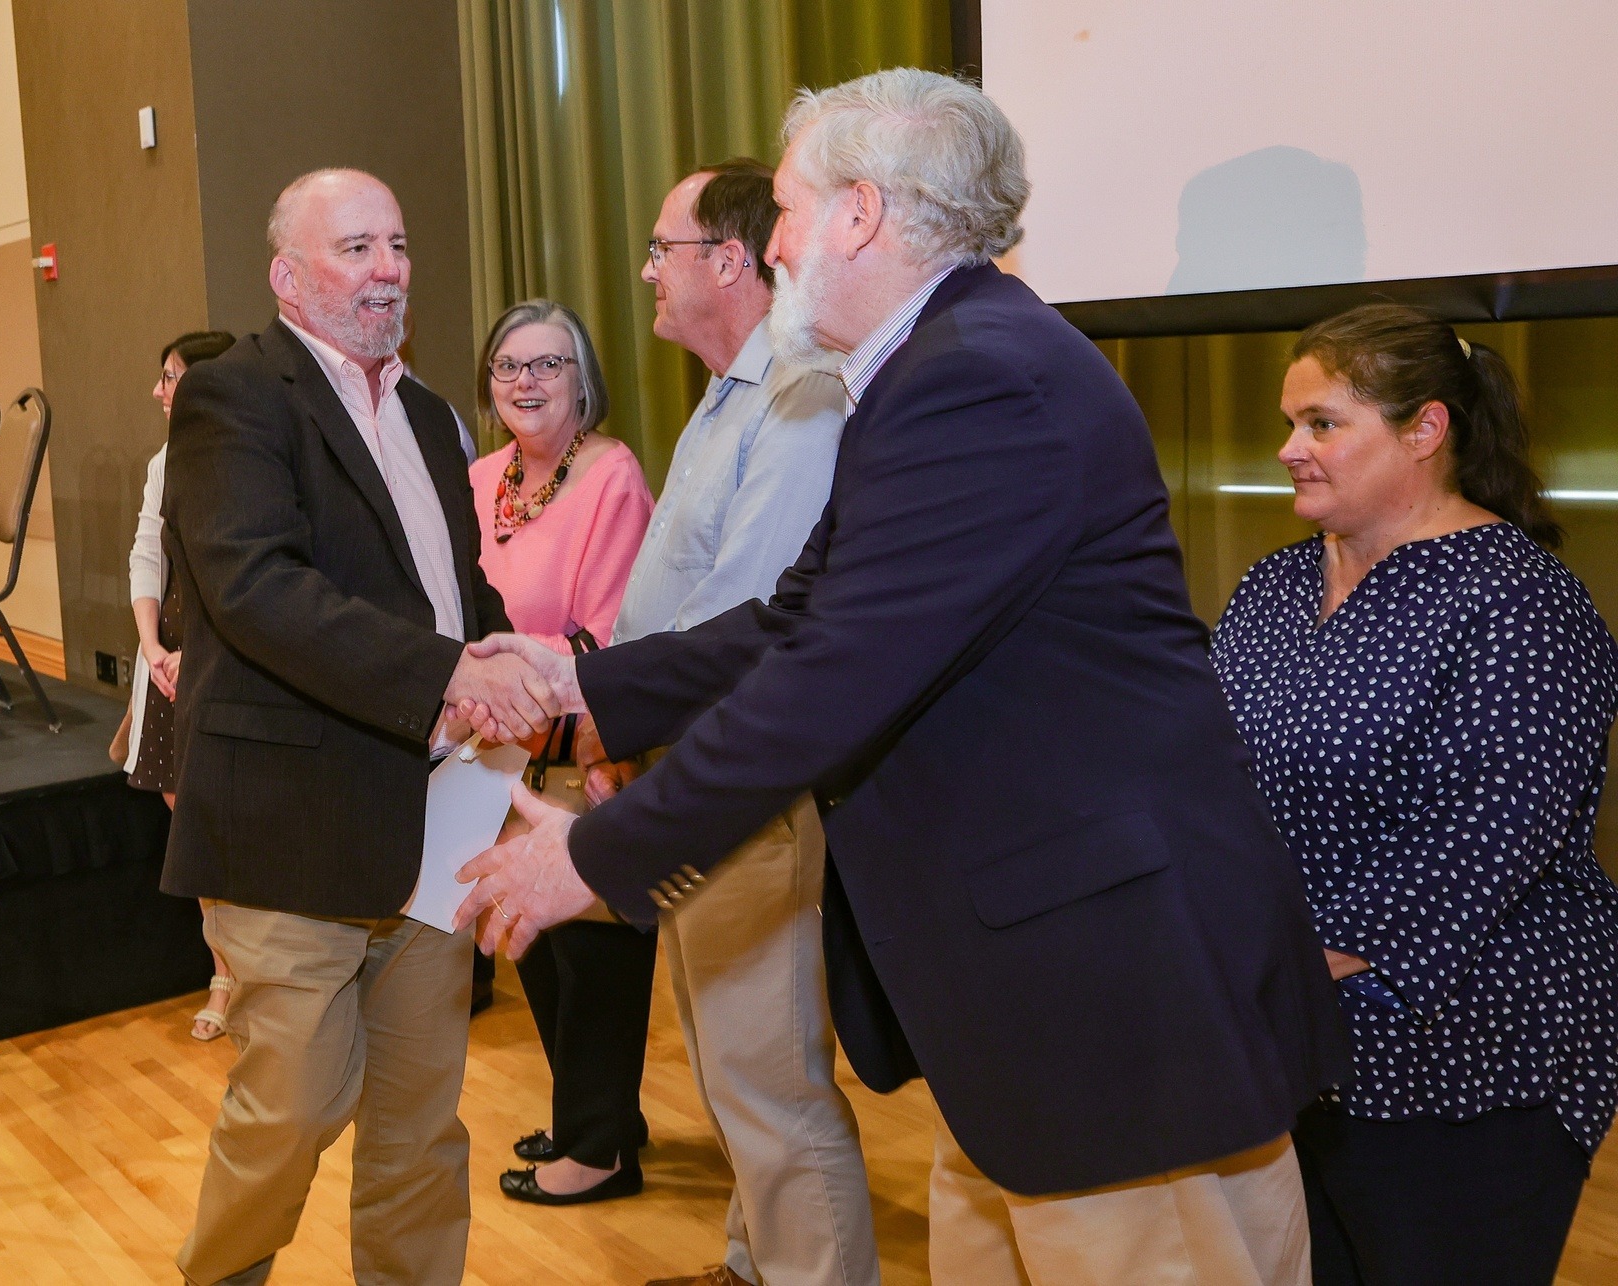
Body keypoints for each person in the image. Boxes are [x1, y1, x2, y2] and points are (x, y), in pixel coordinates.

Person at [454, 68, 1350, 1285]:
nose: (768, 243)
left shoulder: (974, 377)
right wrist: (577, 683)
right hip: (1031, 1011)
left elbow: (832, 672)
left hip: (1114, 1006)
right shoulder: (932, 367)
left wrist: (590, 856)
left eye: (783, 207)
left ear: (860, 215)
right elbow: (794, 619)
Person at [159, 167, 559, 1286]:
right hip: (292, 827)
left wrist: (514, 667)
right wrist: (450, 672)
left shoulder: (432, 415)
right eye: (355, 249)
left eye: (398, 244)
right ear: (289, 274)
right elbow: (256, 588)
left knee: (422, 1125)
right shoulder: (235, 397)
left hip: (439, 815)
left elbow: (454, 588)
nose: (387, 270)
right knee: (291, 1113)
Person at [1209, 303, 1618, 1286]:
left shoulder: (1520, 603)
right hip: (1290, 1046)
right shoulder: (1272, 587)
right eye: (1289, 421)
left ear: (1425, 430)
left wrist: (1258, 975)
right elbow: (1203, 775)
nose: (1289, 447)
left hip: (1471, 1066)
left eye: (1322, 422)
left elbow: (1482, 846)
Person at [604, 159, 873, 1286]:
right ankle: (754, 1264)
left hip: (741, 783)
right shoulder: (726, 397)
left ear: (727, 260)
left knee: (769, 1076)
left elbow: (748, 618)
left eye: (663, 248)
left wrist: (607, 710)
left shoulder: (799, 396)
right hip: (685, 767)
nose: (649, 273)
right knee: (729, 1065)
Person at [467, 299, 656, 1204]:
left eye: (548, 364)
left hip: (583, 748)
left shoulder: (610, 474)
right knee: (533, 944)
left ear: (584, 380)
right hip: (492, 755)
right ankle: (596, 1116)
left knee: (593, 957)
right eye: (509, 366)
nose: (527, 382)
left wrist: (566, 726)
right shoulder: (479, 478)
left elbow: (614, 629)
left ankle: (600, 1148)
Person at [124, 328, 236, 1041]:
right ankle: (224, 969)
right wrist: (153, 647)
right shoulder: (164, 461)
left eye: (171, 377)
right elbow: (144, 554)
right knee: (186, 810)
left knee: (234, 816)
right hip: (172, 652)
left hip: (228, 653)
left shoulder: (249, 455)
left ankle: (255, 972)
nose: (159, 391)